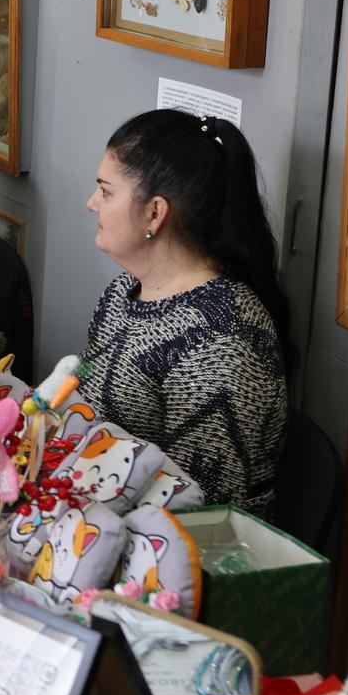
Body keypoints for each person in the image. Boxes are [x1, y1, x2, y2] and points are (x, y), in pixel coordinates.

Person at [82, 109, 293, 518]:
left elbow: (203, 515)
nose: (92, 203)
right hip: (102, 515)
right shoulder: (125, 290)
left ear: (155, 213)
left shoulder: (223, 342)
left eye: (106, 192)